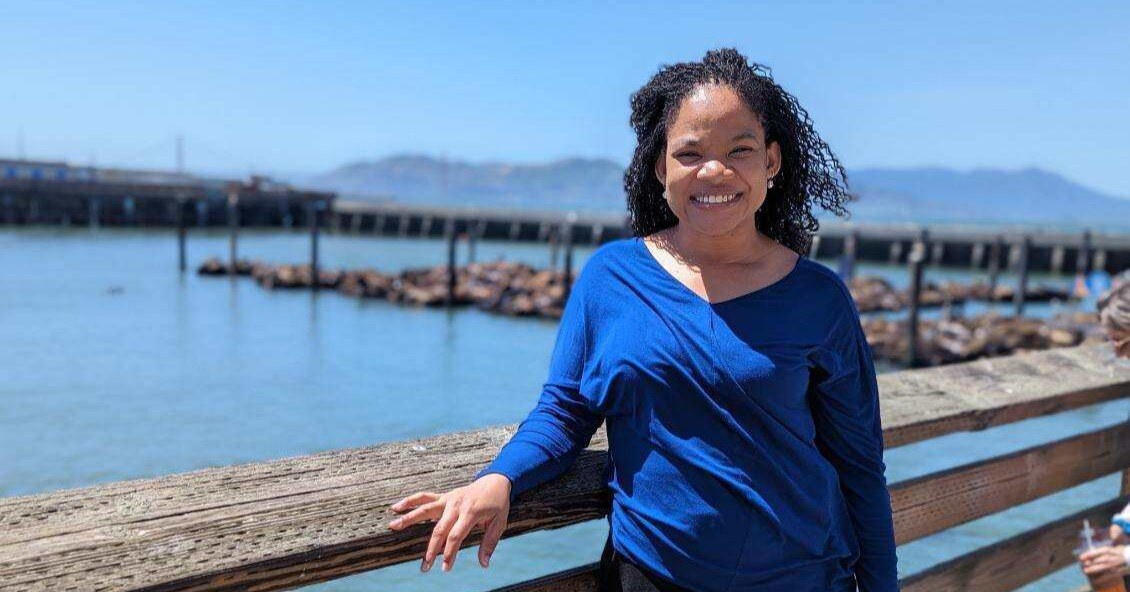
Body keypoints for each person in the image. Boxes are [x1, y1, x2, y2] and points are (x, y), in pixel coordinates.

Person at [387, 47, 898, 591]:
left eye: (740, 149)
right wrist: (498, 478)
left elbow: (860, 468)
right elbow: (565, 411)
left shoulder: (819, 298)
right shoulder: (612, 277)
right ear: (660, 167)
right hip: (649, 575)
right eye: (690, 153)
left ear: (771, 162)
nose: (715, 170)